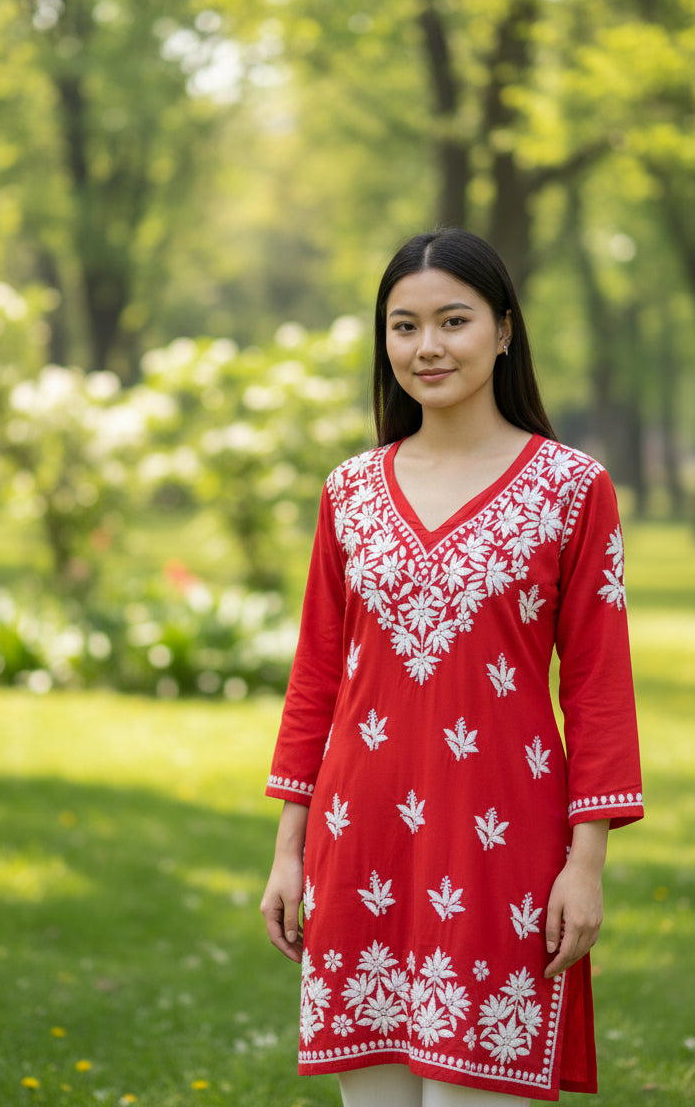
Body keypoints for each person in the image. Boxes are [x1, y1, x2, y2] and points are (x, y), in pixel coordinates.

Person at [260, 229, 643, 1106]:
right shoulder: (349, 490)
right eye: (403, 326)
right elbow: (316, 678)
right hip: (359, 843)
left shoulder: (573, 489)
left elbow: (597, 689)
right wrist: (289, 851)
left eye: (452, 321)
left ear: (505, 331)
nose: (426, 347)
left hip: (504, 847)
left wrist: (585, 867)